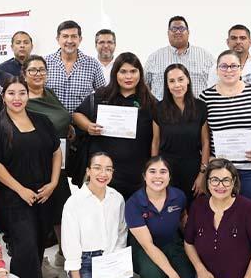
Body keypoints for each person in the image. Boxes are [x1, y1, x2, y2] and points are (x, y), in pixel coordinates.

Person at [0, 76, 61, 278]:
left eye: (21, 93)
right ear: (3, 97)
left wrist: (53, 183)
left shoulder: (42, 121)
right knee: (24, 249)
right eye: (11, 93)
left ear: (28, 95)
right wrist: (21, 190)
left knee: (37, 247)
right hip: (13, 198)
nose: (17, 98)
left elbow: (56, 151)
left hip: (43, 194)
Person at [73, 52, 156, 199]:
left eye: (133, 71)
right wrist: (88, 126)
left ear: (140, 73)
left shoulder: (150, 102)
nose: (128, 77)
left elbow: (157, 137)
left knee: (130, 219)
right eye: (123, 71)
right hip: (103, 173)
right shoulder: (101, 95)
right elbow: (76, 115)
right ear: (115, 73)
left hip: (136, 176)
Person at [184, 158, 251, 278]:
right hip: (210, 276)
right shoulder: (198, 206)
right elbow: (188, 243)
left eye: (226, 180)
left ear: (234, 182)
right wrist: (200, 270)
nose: (220, 186)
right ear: (207, 182)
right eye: (214, 180)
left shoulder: (248, 209)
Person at [200, 50, 251, 206]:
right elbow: (202, 136)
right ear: (217, 70)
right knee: (224, 218)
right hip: (221, 173)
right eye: (224, 66)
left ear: (241, 68)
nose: (229, 70)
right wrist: (210, 158)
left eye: (234, 66)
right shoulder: (205, 98)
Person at [22, 54, 74, 277]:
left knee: (63, 210)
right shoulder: (22, 99)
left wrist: (68, 127)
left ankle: (65, 254)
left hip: (58, 161)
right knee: (39, 214)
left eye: (41, 70)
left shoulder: (49, 93)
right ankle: (39, 260)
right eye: (32, 70)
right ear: (24, 74)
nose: (38, 74)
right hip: (35, 164)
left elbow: (61, 117)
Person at [62, 152, 136, 278]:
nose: (103, 174)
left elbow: (121, 234)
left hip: (110, 257)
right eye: (97, 168)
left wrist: (114, 269)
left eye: (108, 169)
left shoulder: (117, 199)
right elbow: (71, 247)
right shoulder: (73, 203)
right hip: (84, 262)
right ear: (88, 171)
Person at [125, 157, 195, 278]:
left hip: (171, 241)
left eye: (163, 172)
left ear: (169, 177)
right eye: (152, 171)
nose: (158, 176)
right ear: (145, 176)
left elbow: (183, 219)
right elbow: (148, 245)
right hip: (143, 247)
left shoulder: (179, 196)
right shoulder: (134, 203)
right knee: (153, 274)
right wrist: (173, 275)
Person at [152, 64, 210, 205]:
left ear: (188, 80)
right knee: (171, 211)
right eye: (171, 81)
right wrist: (155, 173)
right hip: (167, 168)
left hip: (193, 168)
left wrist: (202, 174)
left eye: (180, 79)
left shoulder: (200, 106)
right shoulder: (158, 108)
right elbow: (155, 141)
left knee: (194, 212)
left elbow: (205, 142)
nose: (177, 85)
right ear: (166, 85)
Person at [145, 16, 215, 100]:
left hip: (198, 110)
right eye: (174, 29)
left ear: (188, 32)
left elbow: (216, 85)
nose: (178, 32)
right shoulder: (154, 58)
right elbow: (144, 86)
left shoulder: (206, 56)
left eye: (181, 28)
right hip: (162, 111)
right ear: (168, 33)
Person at [45, 20, 106, 112]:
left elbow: (103, 96)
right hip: (51, 123)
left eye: (74, 36)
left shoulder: (93, 64)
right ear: (58, 39)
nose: (69, 41)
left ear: (80, 39)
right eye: (65, 36)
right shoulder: (45, 63)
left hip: (82, 123)